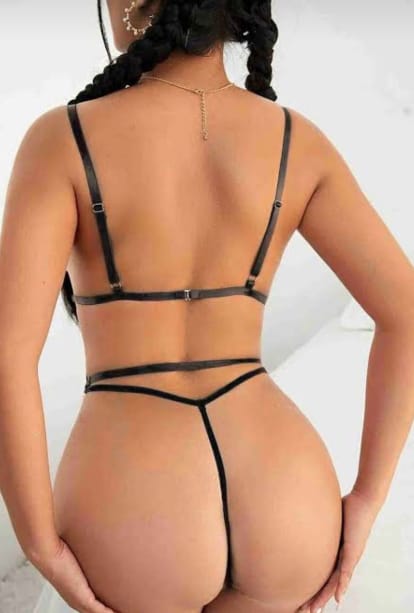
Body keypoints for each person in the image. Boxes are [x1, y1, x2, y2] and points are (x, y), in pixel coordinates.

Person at [1, 1, 413, 612]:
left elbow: (7, 356)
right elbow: (406, 312)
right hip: (287, 499)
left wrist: (38, 540)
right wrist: (367, 500)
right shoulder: (296, 140)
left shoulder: (62, 141)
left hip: (136, 508)